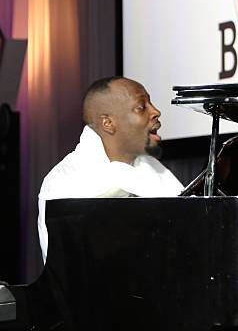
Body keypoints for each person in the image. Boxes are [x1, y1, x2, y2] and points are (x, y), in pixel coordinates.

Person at [37, 76, 184, 262]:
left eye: (151, 103)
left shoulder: (152, 167)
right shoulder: (65, 182)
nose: (156, 111)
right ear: (108, 123)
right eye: (141, 107)